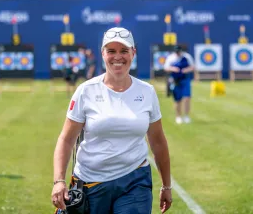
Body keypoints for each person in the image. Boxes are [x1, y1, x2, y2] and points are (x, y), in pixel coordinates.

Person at [51, 27, 172, 214]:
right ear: (102, 53)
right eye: (111, 51)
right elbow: (66, 139)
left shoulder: (146, 91)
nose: (118, 57)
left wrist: (166, 186)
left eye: (124, 51)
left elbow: (157, 141)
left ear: (133, 53)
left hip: (135, 180)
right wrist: (59, 181)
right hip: (92, 183)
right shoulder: (86, 90)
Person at [164, 45, 195, 124]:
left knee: (187, 97)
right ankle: (178, 116)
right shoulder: (171, 58)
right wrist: (173, 69)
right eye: (176, 52)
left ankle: (186, 116)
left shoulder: (187, 57)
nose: (178, 53)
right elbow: (166, 68)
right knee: (178, 99)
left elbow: (192, 67)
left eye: (179, 52)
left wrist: (186, 70)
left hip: (185, 79)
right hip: (175, 80)